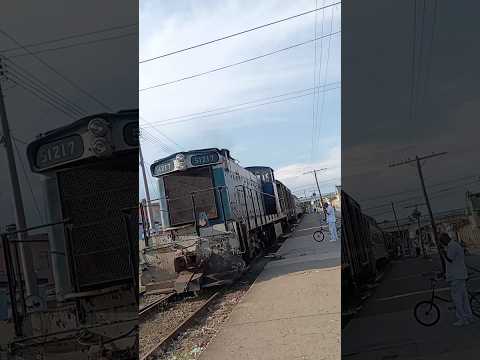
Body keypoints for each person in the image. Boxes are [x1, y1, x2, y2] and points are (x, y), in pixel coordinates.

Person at [439, 232, 475, 326]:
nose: (442, 243)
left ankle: (462, 319)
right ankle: (469, 317)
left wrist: (443, 253)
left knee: (457, 299)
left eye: (442, 241)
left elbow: (449, 259)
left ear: (446, 238)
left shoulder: (452, 246)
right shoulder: (455, 245)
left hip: (456, 277)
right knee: (464, 299)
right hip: (460, 275)